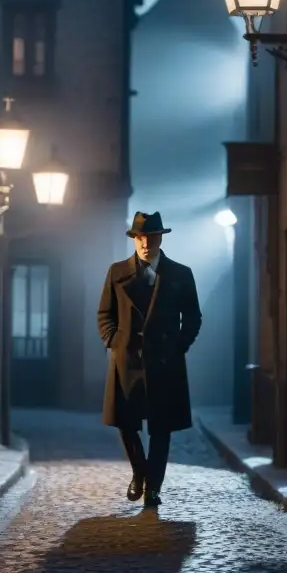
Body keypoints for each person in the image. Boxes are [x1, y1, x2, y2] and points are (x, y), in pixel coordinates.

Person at [96, 211, 202, 508]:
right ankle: (139, 472)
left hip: (164, 363)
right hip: (126, 359)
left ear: (160, 239)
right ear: (134, 239)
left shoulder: (181, 274)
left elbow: (193, 318)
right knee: (126, 423)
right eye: (139, 238)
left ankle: (153, 487)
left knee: (161, 427)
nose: (145, 243)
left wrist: (177, 347)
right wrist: (114, 342)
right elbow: (105, 313)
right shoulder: (117, 272)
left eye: (150, 237)